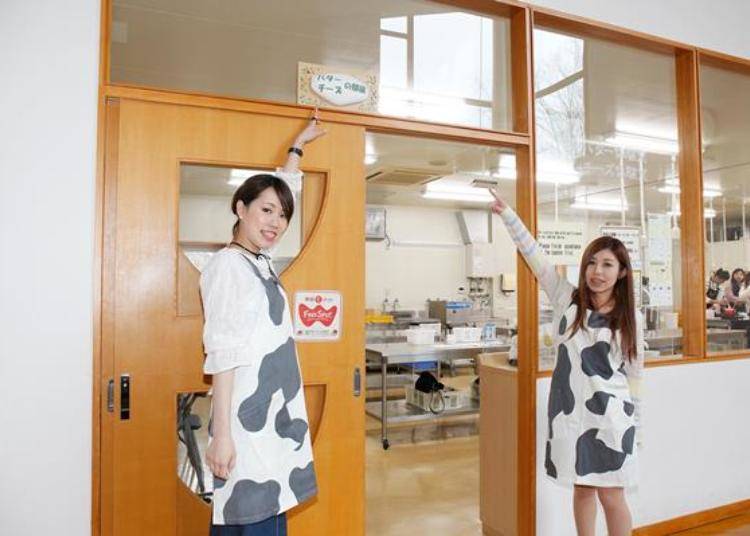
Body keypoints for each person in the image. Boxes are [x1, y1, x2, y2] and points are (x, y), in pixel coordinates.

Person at [200, 109, 326, 535]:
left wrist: (297, 148)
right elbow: (221, 353)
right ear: (240, 208)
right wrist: (221, 434)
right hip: (245, 423)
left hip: (272, 420)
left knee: (263, 514)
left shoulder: (258, 262)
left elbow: (284, 191)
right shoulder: (228, 267)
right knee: (249, 516)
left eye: (282, 215)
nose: (276, 222)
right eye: (266, 210)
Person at [489, 188, 643, 536]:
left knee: (612, 496)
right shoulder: (566, 299)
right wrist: (508, 215)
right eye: (592, 262)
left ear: (621, 273)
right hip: (571, 417)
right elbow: (534, 255)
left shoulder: (629, 317)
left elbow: (635, 377)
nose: (596, 271)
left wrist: (639, 429)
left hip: (612, 421)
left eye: (607, 264)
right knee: (582, 489)